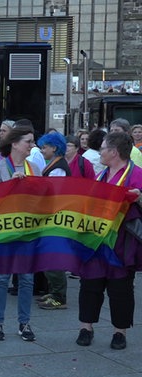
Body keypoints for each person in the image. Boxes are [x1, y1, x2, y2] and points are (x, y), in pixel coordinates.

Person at [76, 132, 142, 350]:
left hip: (122, 241)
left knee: (120, 287)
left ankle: (119, 332)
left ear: (114, 152)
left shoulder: (137, 174)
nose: (100, 152)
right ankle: (86, 327)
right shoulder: (101, 174)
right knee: (90, 283)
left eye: (103, 148)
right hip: (97, 239)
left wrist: (138, 196)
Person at [0, 125, 42, 342]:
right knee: (1, 279)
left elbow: (41, 200)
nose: (31, 145)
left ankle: (24, 322)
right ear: (15, 143)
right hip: (4, 231)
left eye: (32, 141)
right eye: (28, 141)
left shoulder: (35, 168)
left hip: (27, 231)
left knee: (27, 279)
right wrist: (12, 185)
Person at [35, 133, 71, 310]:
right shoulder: (54, 165)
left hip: (54, 217)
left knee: (53, 257)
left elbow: (55, 194)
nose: (42, 150)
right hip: (51, 216)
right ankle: (54, 292)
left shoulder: (59, 168)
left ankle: (59, 297)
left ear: (54, 148)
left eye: (44, 147)